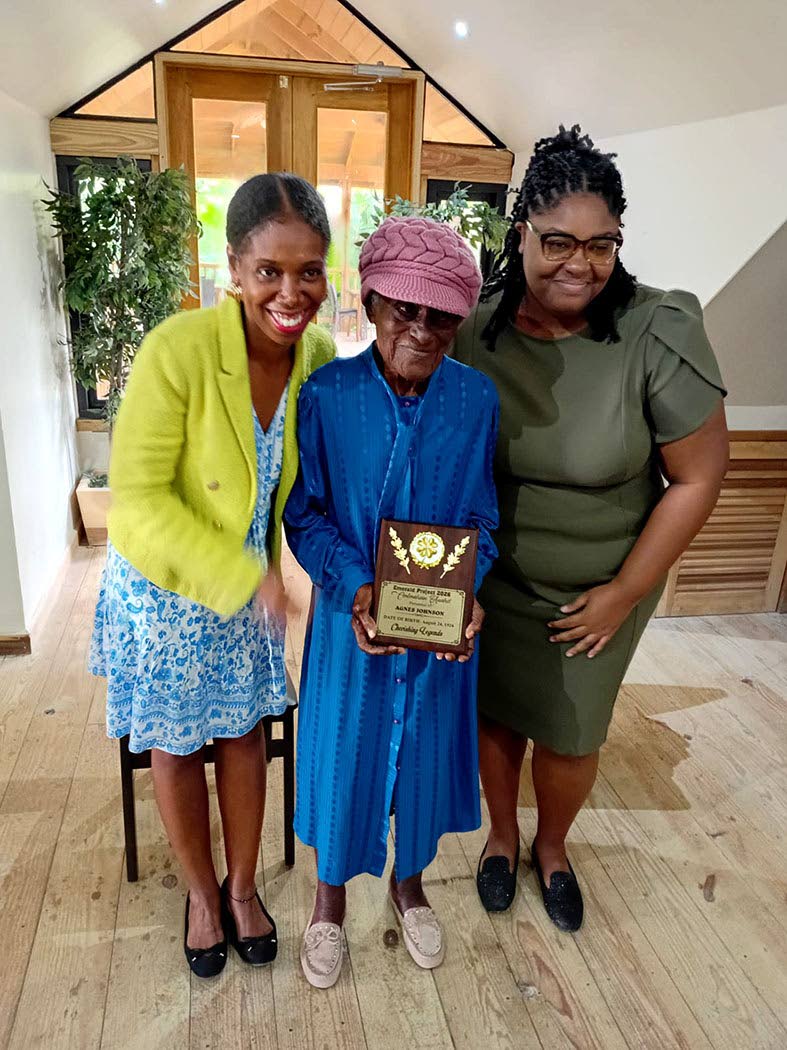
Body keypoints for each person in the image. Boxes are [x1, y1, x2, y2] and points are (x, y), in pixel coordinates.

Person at [453, 125, 729, 931]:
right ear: (520, 235)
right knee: (496, 713)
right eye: (558, 243)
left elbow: (699, 476)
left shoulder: (656, 329)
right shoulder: (476, 327)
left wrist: (623, 592)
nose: (580, 264)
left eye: (601, 245)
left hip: (604, 583)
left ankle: (553, 847)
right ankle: (500, 839)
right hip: (495, 574)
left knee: (572, 731)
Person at [89, 172, 335, 977]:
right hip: (166, 592)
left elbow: (317, 482)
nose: (289, 292)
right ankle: (199, 895)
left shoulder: (320, 358)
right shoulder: (177, 349)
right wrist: (244, 579)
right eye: (269, 270)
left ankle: (240, 889)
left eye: (308, 271)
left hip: (248, 593)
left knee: (243, 736)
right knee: (178, 744)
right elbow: (136, 504)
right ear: (232, 268)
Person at [284, 216, 499, 987]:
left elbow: (482, 517)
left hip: (438, 633)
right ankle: (327, 903)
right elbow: (303, 514)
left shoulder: (475, 400)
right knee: (343, 761)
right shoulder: (327, 395)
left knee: (422, 760)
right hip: (353, 624)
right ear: (370, 303)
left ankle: (409, 887)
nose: (421, 328)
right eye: (403, 308)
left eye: (440, 314)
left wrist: (467, 594)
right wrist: (355, 585)